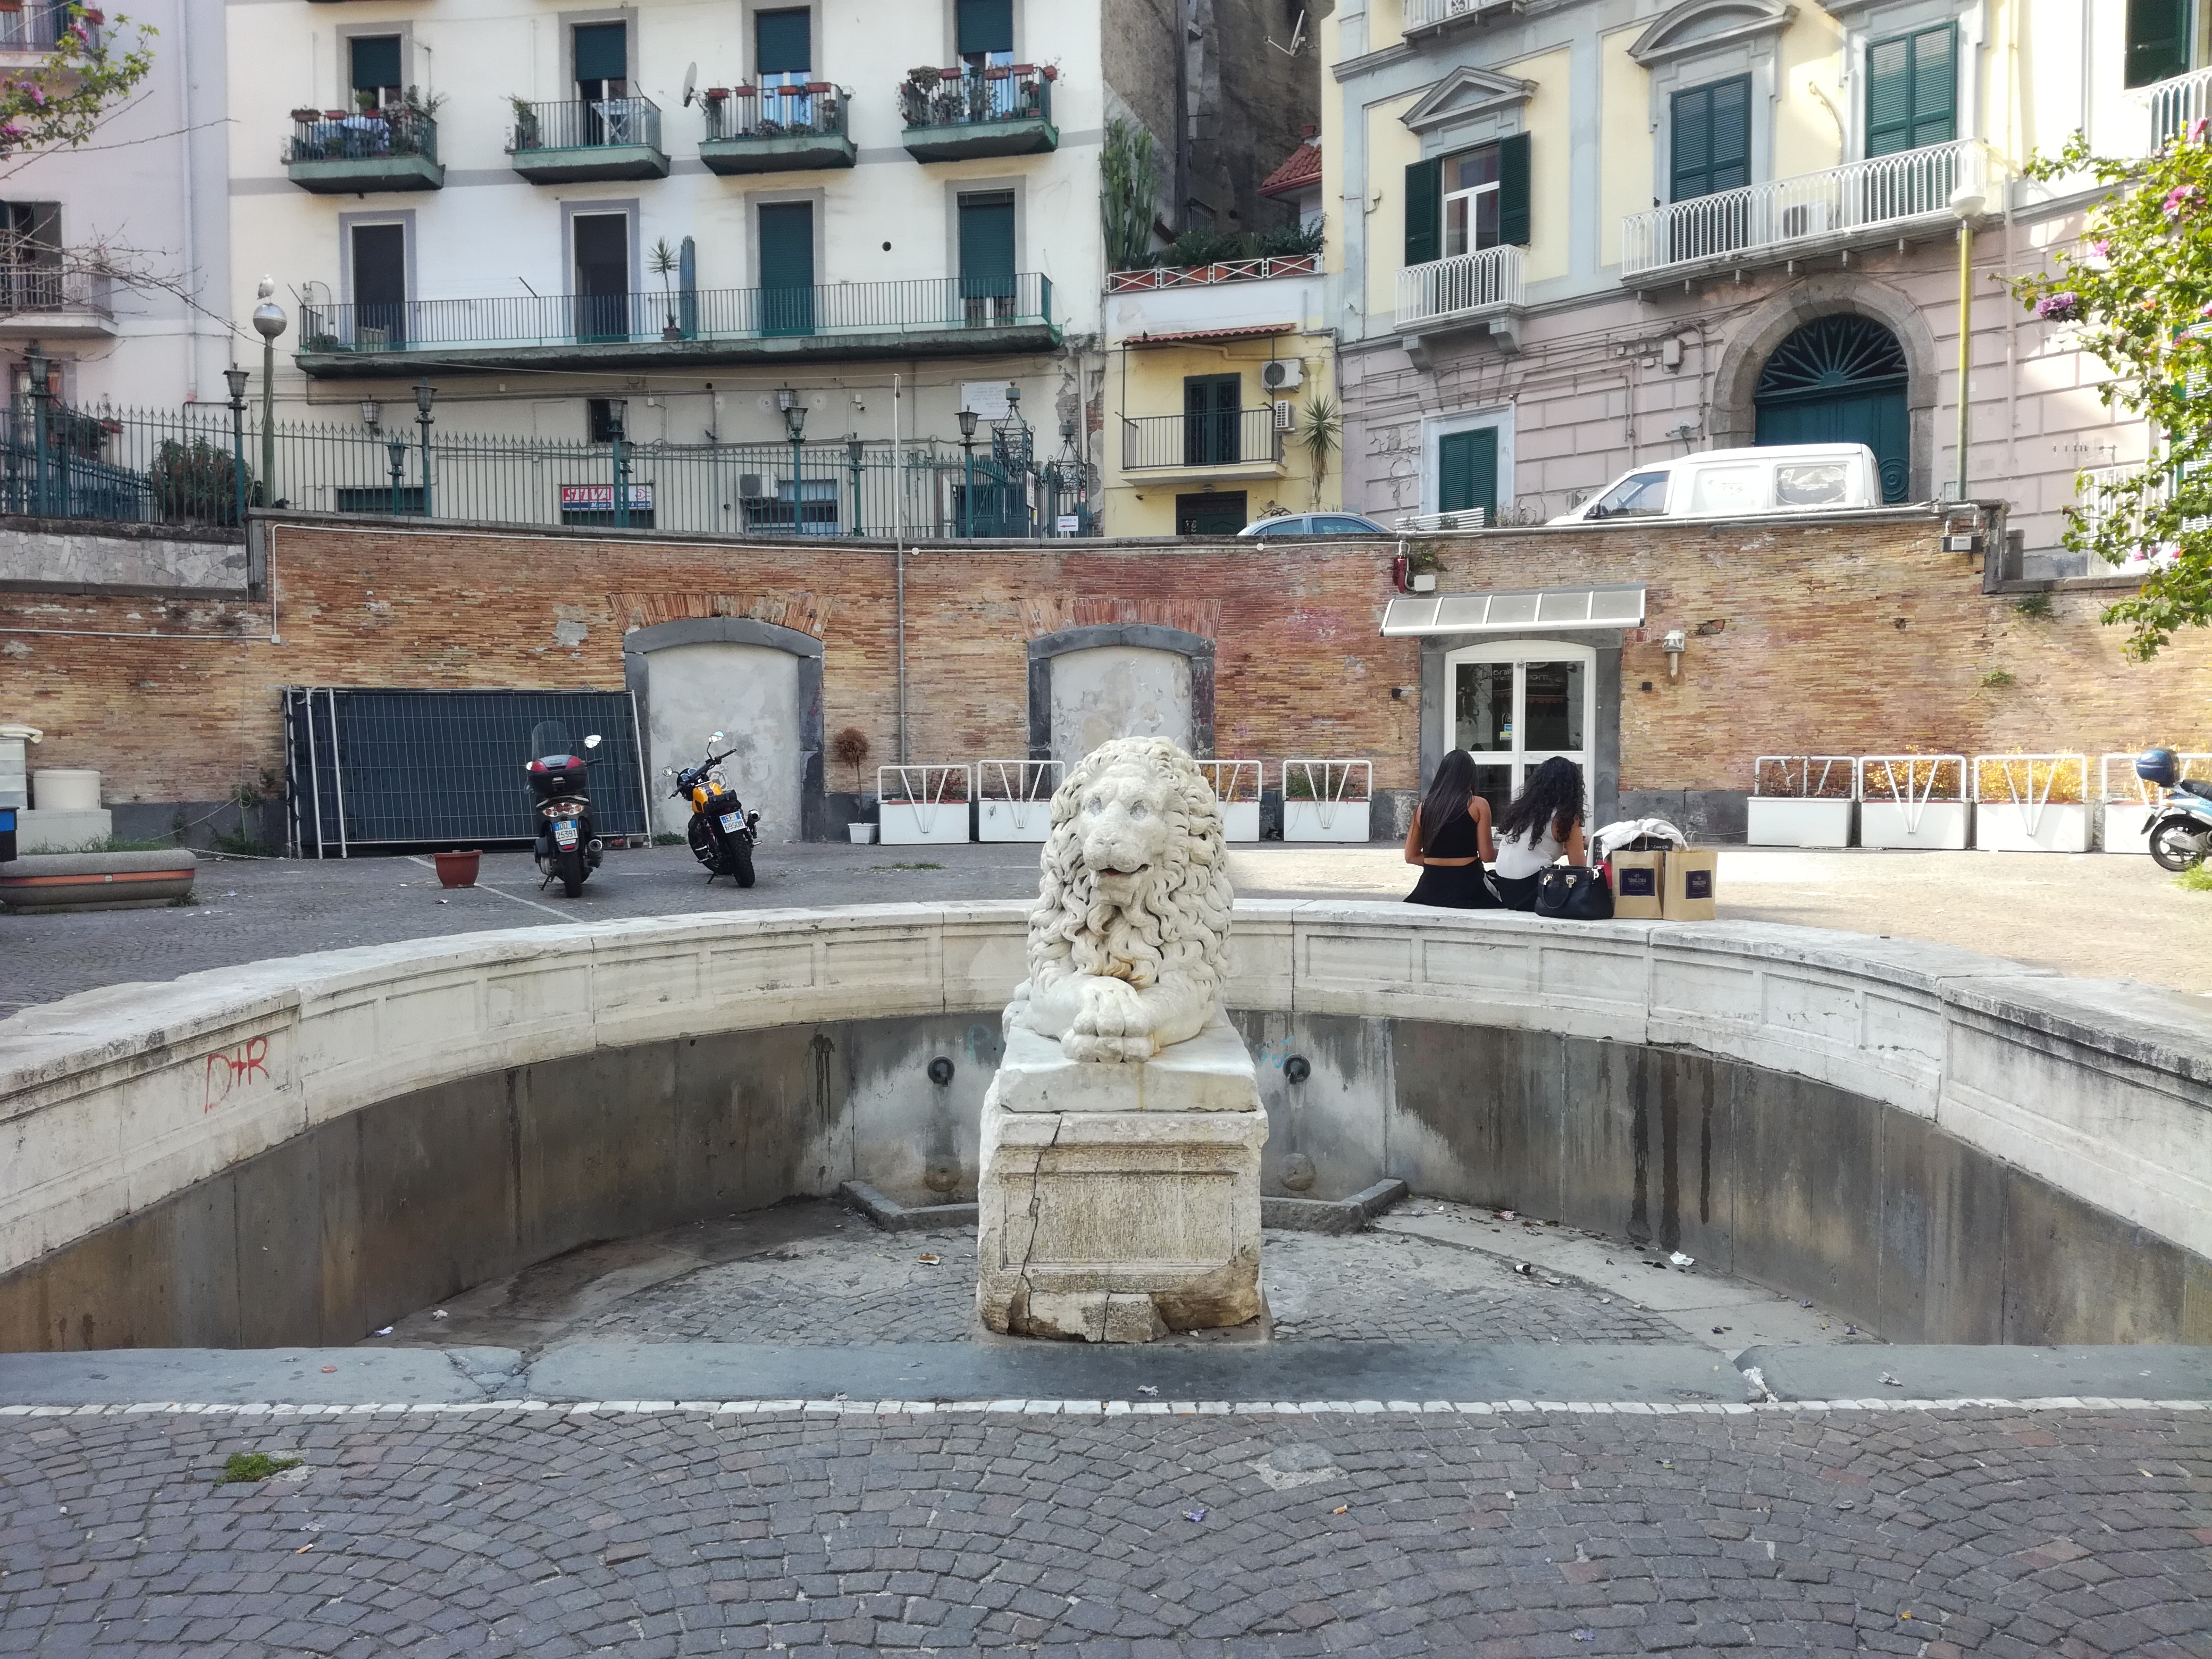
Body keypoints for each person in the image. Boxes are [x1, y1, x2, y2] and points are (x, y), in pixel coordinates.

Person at [1488, 756, 1587, 911]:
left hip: (1506, 891)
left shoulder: (1523, 811)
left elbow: (1536, 850)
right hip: (1533, 891)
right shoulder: (1566, 817)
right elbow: (1579, 867)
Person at [1402, 749, 1498, 908]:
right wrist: (1505, 855)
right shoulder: (1478, 805)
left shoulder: (1423, 807)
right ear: (1470, 776)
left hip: (1429, 888)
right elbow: (1487, 855)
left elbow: (1411, 857)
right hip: (1468, 886)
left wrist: (1440, 863)